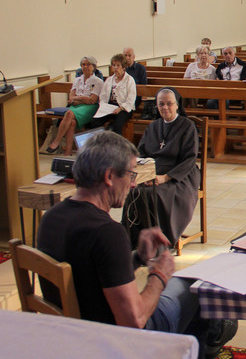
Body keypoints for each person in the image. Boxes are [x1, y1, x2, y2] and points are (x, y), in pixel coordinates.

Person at [37, 131, 236, 358]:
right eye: (131, 175)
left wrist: (138, 258)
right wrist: (159, 275)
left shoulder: (50, 218)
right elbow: (134, 321)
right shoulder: (108, 232)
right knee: (195, 289)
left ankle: (215, 333)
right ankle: (215, 334)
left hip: (71, 333)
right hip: (114, 342)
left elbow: (92, 273)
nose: (134, 185)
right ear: (109, 176)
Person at [124, 88, 201, 247]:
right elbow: (142, 153)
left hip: (179, 174)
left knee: (154, 194)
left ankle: (158, 242)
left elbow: (190, 158)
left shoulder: (187, 126)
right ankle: (133, 240)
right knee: (134, 191)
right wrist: (143, 175)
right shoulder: (153, 126)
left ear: (177, 105)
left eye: (169, 104)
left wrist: (165, 177)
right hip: (152, 172)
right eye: (161, 104)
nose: (165, 107)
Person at [46, 56, 103, 155]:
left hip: (90, 108)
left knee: (69, 114)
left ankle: (57, 141)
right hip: (76, 106)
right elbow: (71, 98)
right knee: (71, 122)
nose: (85, 67)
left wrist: (77, 98)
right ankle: (67, 152)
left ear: (93, 67)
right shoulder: (77, 80)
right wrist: (82, 99)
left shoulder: (98, 81)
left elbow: (92, 100)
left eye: (88, 64)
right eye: (83, 65)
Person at [89, 53, 136, 134]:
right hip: (109, 108)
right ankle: (99, 143)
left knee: (117, 125)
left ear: (123, 67)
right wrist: (103, 106)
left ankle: (115, 145)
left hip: (124, 108)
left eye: (118, 65)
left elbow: (131, 99)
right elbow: (102, 96)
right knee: (94, 122)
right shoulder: (109, 80)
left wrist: (120, 108)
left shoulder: (129, 80)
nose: (115, 68)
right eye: (113, 65)